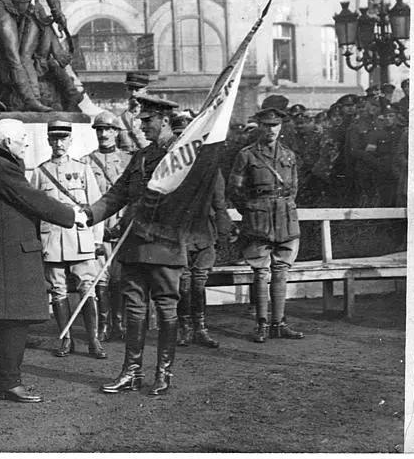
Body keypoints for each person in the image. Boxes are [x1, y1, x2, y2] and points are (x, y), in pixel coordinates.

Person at [83, 94, 187, 396]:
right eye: (141, 120)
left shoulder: (183, 157)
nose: (141, 126)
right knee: (134, 309)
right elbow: (117, 195)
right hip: (134, 244)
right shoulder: (141, 157)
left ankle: (163, 373)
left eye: (147, 121)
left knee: (167, 308)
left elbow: (187, 202)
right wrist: (89, 215)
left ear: (165, 120)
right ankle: (132, 372)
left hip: (165, 244)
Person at [0, 118, 82, 402]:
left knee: (8, 320)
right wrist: (72, 216)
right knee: (13, 320)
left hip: (8, 254)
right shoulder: (2, 167)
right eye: (23, 138)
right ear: (8, 142)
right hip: (11, 257)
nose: (27, 142)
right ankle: (8, 383)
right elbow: (33, 199)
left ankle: (3, 383)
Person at [227, 107, 304, 343]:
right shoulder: (247, 155)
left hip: (285, 219)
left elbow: (293, 189)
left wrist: (283, 207)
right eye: (266, 125)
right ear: (259, 126)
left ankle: (278, 323)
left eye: (275, 125)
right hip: (258, 220)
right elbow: (235, 189)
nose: (271, 129)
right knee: (261, 271)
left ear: (281, 127)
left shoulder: (288, 155)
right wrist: (251, 210)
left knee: (281, 270)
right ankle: (261, 324)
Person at [30, 120, 106, 359]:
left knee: (87, 288)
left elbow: (97, 208)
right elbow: (33, 209)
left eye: (63, 139)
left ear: (70, 141)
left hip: (80, 239)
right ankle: (66, 338)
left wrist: (96, 240)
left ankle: (93, 340)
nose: (59, 143)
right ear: (49, 141)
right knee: (58, 290)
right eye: (54, 139)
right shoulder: (40, 172)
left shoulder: (83, 169)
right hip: (52, 240)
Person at [169, 114, 232, 348]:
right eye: (179, 136)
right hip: (178, 236)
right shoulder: (169, 169)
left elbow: (220, 204)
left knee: (199, 283)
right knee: (183, 284)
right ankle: (184, 328)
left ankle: (201, 329)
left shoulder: (210, 170)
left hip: (203, 235)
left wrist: (223, 235)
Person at [81, 111, 131, 342]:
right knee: (100, 276)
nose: (103, 134)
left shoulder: (128, 160)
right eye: (100, 130)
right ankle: (103, 323)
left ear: (116, 132)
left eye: (108, 130)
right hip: (100, 226)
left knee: (118, 276)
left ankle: (118, 322)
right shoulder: (86, 161)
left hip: (122, 225)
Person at [7, 0, 66, 104]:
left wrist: (57, 14)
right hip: (14, 16)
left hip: (33, 15)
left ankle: (34, 98)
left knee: (24, 56)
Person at [117, 72, 151, 153]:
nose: (133, 93)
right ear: (126, 90)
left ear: (146, 91)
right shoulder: (119, 121)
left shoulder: (153, 118)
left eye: (137, 89)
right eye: (131, 89)